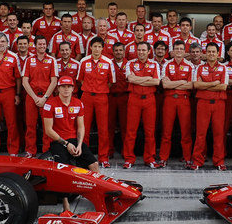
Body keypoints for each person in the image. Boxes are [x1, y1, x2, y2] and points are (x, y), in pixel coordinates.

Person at [43, 77, 98, 211]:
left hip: (74, 140)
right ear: (58, 89)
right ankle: (65, 205)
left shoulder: (78, 103)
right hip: (58, 140)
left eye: (69, 86)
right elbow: (48, 130)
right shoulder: (50, 104)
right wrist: (66, 144)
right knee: (64, 170)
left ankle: (96, 194)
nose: (66, 89)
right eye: (63, 86)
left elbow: (81, 127)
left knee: (94, 165)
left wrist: (79, 145)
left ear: (73, 89)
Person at [77, 38, 116, 167]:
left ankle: (103, 158)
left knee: (103, 128)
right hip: (87, 96)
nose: (97, 49)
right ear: (91, 48)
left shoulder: (108, 62)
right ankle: (85, 157)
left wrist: (100, 89)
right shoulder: (84, 61)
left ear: (103, 48)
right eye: (94, 46)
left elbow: (110, 82)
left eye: (99, 46)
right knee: (84, 128)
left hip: (101, 97)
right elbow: (81, 79)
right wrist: (90, 88)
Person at [123, 41, 161, 169]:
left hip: (149, 100)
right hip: (134, 99)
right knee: (131, 131)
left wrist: (138, 80)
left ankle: (149, 158)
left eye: (144, 50)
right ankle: (129, 158)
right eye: (139, 50)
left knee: (150, 131)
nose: (141, 52)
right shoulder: (130, 63)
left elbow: (156, 81)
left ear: (149, 51)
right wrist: (147, 79)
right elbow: (130, 79)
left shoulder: (154, 64)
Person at [192, 42, 229, 170]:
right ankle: (197, 160)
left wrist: (205, 84)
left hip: (219, 104)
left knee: (218, 133)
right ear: (205, 53)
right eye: (209, 52)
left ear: (218, 54)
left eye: (213, 52)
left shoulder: (223, 68)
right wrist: (214, 83)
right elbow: (196, 85)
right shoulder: (200, 68)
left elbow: (223, 86)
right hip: (203, 103)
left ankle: (219, 161)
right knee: (200, 133)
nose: (211, 54)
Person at [159, 40, 195, 167]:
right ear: (173, 51)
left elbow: (190, 85)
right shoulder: (167, 65)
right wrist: (182, 81)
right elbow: (165, 84)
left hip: (184, 100)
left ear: (184, 52)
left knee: (185, 131)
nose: (179, 51)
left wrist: (173, 83)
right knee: (166, 131)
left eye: (181, 49)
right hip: (169, 100)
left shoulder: (190, 65)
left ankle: (187, 158)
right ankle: (163, 158)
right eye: (176, 49)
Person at [22, 36, 58, 156]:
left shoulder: (52, 60)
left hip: (47, 98)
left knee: (47, 127)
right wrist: (35, 98)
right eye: (39, 44)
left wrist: (45, 98)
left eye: (44, 44)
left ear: (46, 46)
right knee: (30, 126)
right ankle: (30, 151)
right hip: (32, 97)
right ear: (35, 46)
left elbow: (54, 81)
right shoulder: (29, 60)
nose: (42, 46)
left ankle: (47, 151)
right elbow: (25, 81)